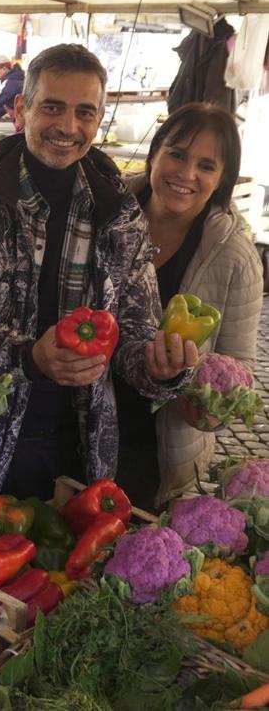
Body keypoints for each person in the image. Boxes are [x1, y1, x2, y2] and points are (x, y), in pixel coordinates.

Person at [0, 43, 198, 511]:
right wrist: (28, 357)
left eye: (84, 112)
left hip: (82, 447)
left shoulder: (119, 214)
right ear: (20, 109)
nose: (68, 127)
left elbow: (135, 334)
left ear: (98, 120)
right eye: (53, 107)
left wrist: (160, 367)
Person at [115, 103, 263, 511]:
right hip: (73, 422)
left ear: (222, 180)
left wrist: (207, 409)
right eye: (177, 154)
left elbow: (238, 369)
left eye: (206, 165)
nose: (186, 174)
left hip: (156, 446)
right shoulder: (108, 210)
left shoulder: (236, 258)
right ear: (155, 153)